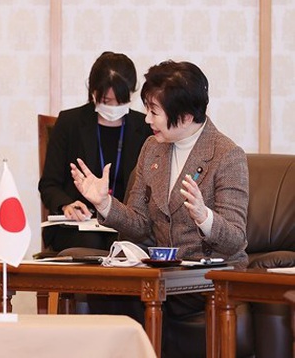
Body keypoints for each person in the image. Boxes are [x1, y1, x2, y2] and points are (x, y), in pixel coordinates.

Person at [71, 59, 249, 358]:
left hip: (206, 278)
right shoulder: (152, 148)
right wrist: (104, 204)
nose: (146, 120)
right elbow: (140, 223)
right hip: (163, 275)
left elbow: (235, 239)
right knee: (107, 292)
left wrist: (205, 217)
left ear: (186, 115)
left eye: (154, 111)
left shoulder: (227, 155)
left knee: (141, 297)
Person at [38, 51, 152, 252]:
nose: (114, 108)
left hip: (124, 224)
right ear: (93, 92)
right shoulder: (70, 123)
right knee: (91, 245)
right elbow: (49, 184)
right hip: (79, 224)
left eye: (121, 101)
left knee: (126, 246)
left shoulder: (144, 128)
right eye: (107, 102)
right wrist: (67, 205)